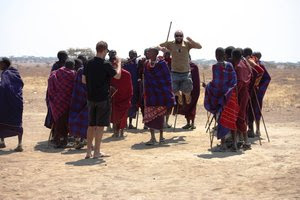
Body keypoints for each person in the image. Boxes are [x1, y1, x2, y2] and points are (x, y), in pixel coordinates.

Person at [82, 41, 121, 159]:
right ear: (104, 50)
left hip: (90, 98)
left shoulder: (88, 63)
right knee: (99, 126)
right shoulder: (106, 64)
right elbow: (118, 76)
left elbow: (83, 80)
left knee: (91, 125)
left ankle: (89, 151)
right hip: (103, 99)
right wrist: (119, 64)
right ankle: (97, 151)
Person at [203, 48, 238, 151]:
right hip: (230, 97)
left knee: (222, 120)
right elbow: (232, 81)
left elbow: (217, 84)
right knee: (231, 120)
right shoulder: (230, 65)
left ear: (222, 55)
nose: (217, 56)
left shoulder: (216, 67)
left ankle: (223, 145)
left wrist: (207, 86)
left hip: (222, 99)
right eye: (217, 54)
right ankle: (234, 144)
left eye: (218, 54)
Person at [159, 30, 202, 105]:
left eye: (180, 35)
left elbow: (199, 46)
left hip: (185, 72)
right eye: (177, 35)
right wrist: (161, 49)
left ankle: (187, 97)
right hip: (174, 72)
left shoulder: (187, 44)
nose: (179, 37)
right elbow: (158, 45)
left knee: (187, 90)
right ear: (174, 36)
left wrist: (192, 41)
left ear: (183, 36)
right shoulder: (170, 44)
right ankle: (179, 96)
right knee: (173, 89)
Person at [143, 47, 175, 145]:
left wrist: (167, 92)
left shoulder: (162, 64)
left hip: (160, 95)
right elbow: (145, 77)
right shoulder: (146, 64)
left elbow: (166, 79)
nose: (148, 53)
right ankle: (153, 138)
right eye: (147, 52)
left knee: (160, 116)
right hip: (150, 94)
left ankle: (161, 137)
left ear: (155, 54)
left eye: (150, 52)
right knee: (150, 117)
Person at [47, 60, 76, 148]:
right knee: (64, 122)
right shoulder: (73, 74)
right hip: (67, 102)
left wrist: (52, 98)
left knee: (58, 121)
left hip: (56, 102)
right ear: (73, 66)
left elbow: (50, 87)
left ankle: (57, 140)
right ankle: (62, 141)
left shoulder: (55, 73)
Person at [0, 57, 24, 151]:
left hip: (7, 101)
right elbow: (20, 84)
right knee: (17, 123)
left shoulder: (6, 73)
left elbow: (4, 86)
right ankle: (19, 144)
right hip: (17, 101)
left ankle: (2, 142)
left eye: (0, 64)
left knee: (2, 120)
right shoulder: (15, 72)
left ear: (5, 64)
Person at [109, 50, 133, 138]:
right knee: (115, 116)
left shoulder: (127, 74)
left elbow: (129, 87)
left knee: (122, 116)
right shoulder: (112, 74)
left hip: (124, 98)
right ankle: (116, 131)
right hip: (115, 98)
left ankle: (120, 131)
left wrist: (129, 97)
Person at [232, 48, 252, 150]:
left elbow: (239, 83)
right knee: (241, 117)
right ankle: (242, 141)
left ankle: (240, 142)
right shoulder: (246, 64)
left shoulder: (239, 67)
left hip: (240, 95)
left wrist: (232, 94)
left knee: (238, 118)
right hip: (245, 94)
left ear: (234, 57)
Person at [248, 51, 271, 137]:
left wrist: (258, 88)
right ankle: (251, 130)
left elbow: (267, 78)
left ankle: (257, 130)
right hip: (251, 92)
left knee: (255, 111)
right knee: (250, 111)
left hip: (256, 93)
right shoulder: (251, 64)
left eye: (254, 56)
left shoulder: (259, 66)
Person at [68, 63, 88, 149]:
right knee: (85, 120)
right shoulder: (86, 70)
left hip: (77, 97)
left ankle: (77, 140)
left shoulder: (80, 70)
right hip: (86, 97)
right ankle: (82, 140)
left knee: (76, 119)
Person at [178, 60, 200, 129]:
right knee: (186, 105)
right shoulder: (182, 67)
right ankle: (188, 123)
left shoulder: (194, 67)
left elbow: (196, 80)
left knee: (193, 106)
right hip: (185, 89)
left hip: (194, 90)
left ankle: (192, 123)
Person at [123, 50, 139, 129]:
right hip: (127, 87)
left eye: (134, 54)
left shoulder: (137, 64)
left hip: (135, 87)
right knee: (126, 105)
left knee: (133, 106)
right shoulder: (126, 63)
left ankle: (130, 123)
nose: (133, 56)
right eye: (131, 54)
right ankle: (124, 123)